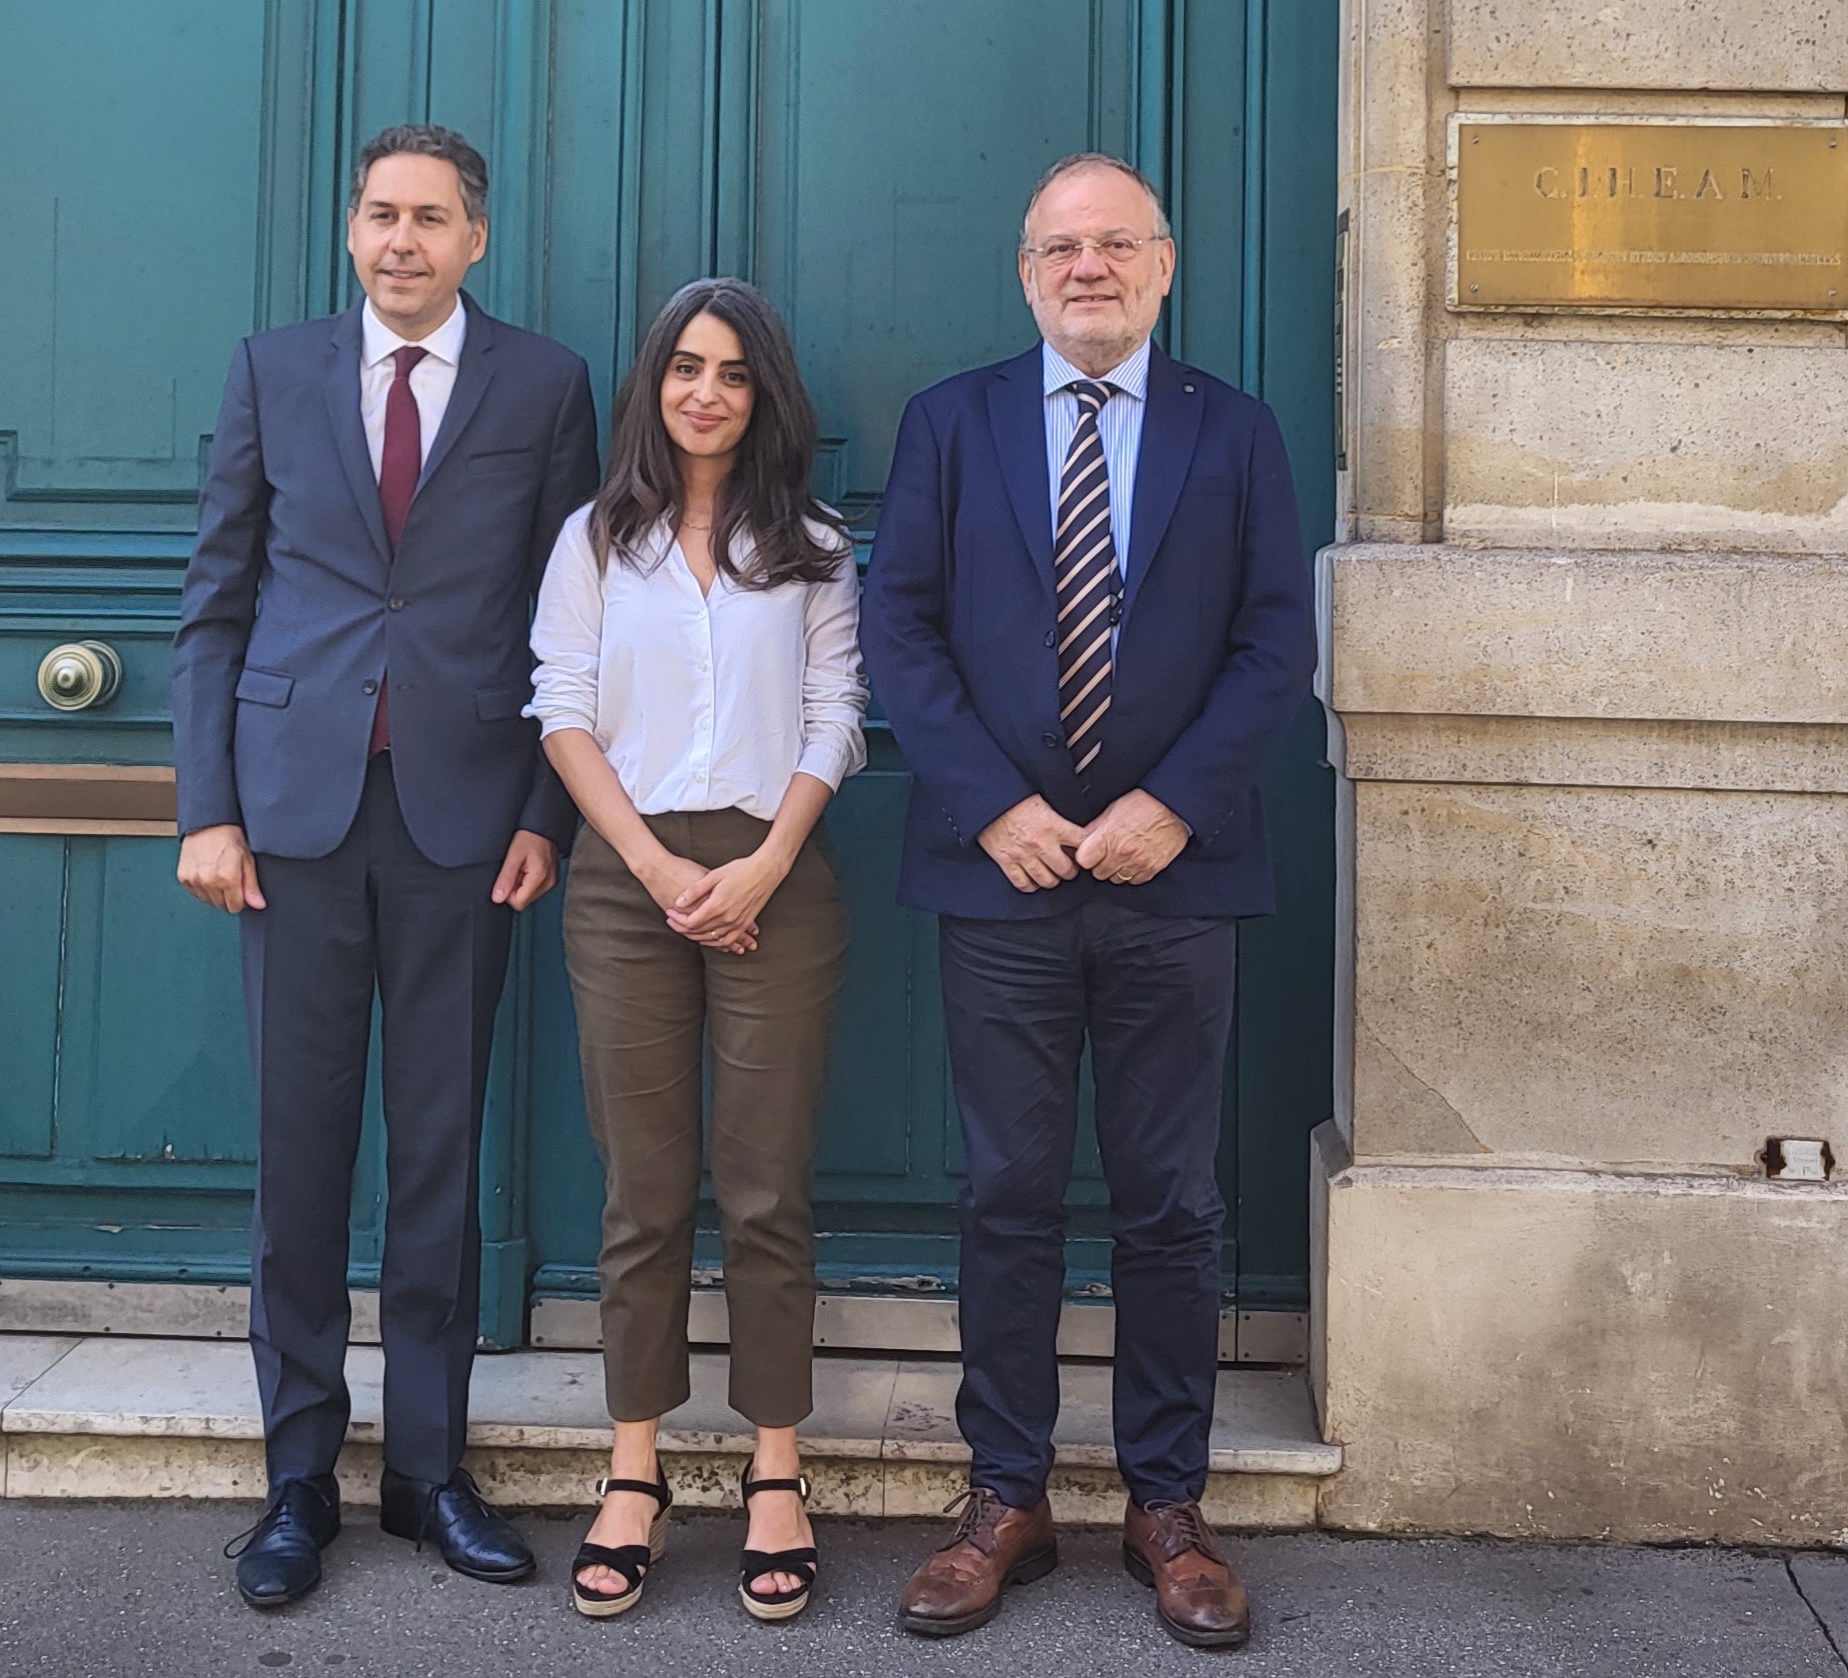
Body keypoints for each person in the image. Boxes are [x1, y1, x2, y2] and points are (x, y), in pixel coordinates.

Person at [861, 152, 1316, 1651]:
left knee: (1171, 1205)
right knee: (1004, 1194)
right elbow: (901, 631)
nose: (1090, 267)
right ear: (1024, 269)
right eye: (1062, 246)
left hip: (1177, 876)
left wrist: (1167, 804)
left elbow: (1270, 640)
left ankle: (1165, 1504)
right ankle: (1005, 1495)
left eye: (1118, 244)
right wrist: (998, 805)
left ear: (1165, 266)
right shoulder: (950, 423)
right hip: (999, 876)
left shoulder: (1235, 432)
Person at [171, 124, 600, 1608]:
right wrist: (204, 807)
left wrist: (549, 813)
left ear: (477, 236)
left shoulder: (545, 385)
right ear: (351, 233)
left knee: (440, 1152)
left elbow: (574, 621)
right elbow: (215, 606)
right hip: (287, 820)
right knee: (300, 1158)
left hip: (465, 823)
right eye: (378, 215)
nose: (402, 239)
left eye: (429, 217)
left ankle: (429, 1468)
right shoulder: (272, 370)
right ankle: (297, 1474)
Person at [529, 277, 866, 1624]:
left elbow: (840, 710)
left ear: (765, 392)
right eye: (684, 367)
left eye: (731, 370)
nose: (706, 390)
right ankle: (635, 1469)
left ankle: (776, 1468)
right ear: (653, 387)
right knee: (645, 1188)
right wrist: (662, 866)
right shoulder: (596, 541)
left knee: (768, 1186)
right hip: (629, 878)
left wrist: (767, 863)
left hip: (778, 873)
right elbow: (560, 709)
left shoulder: (820, 546)